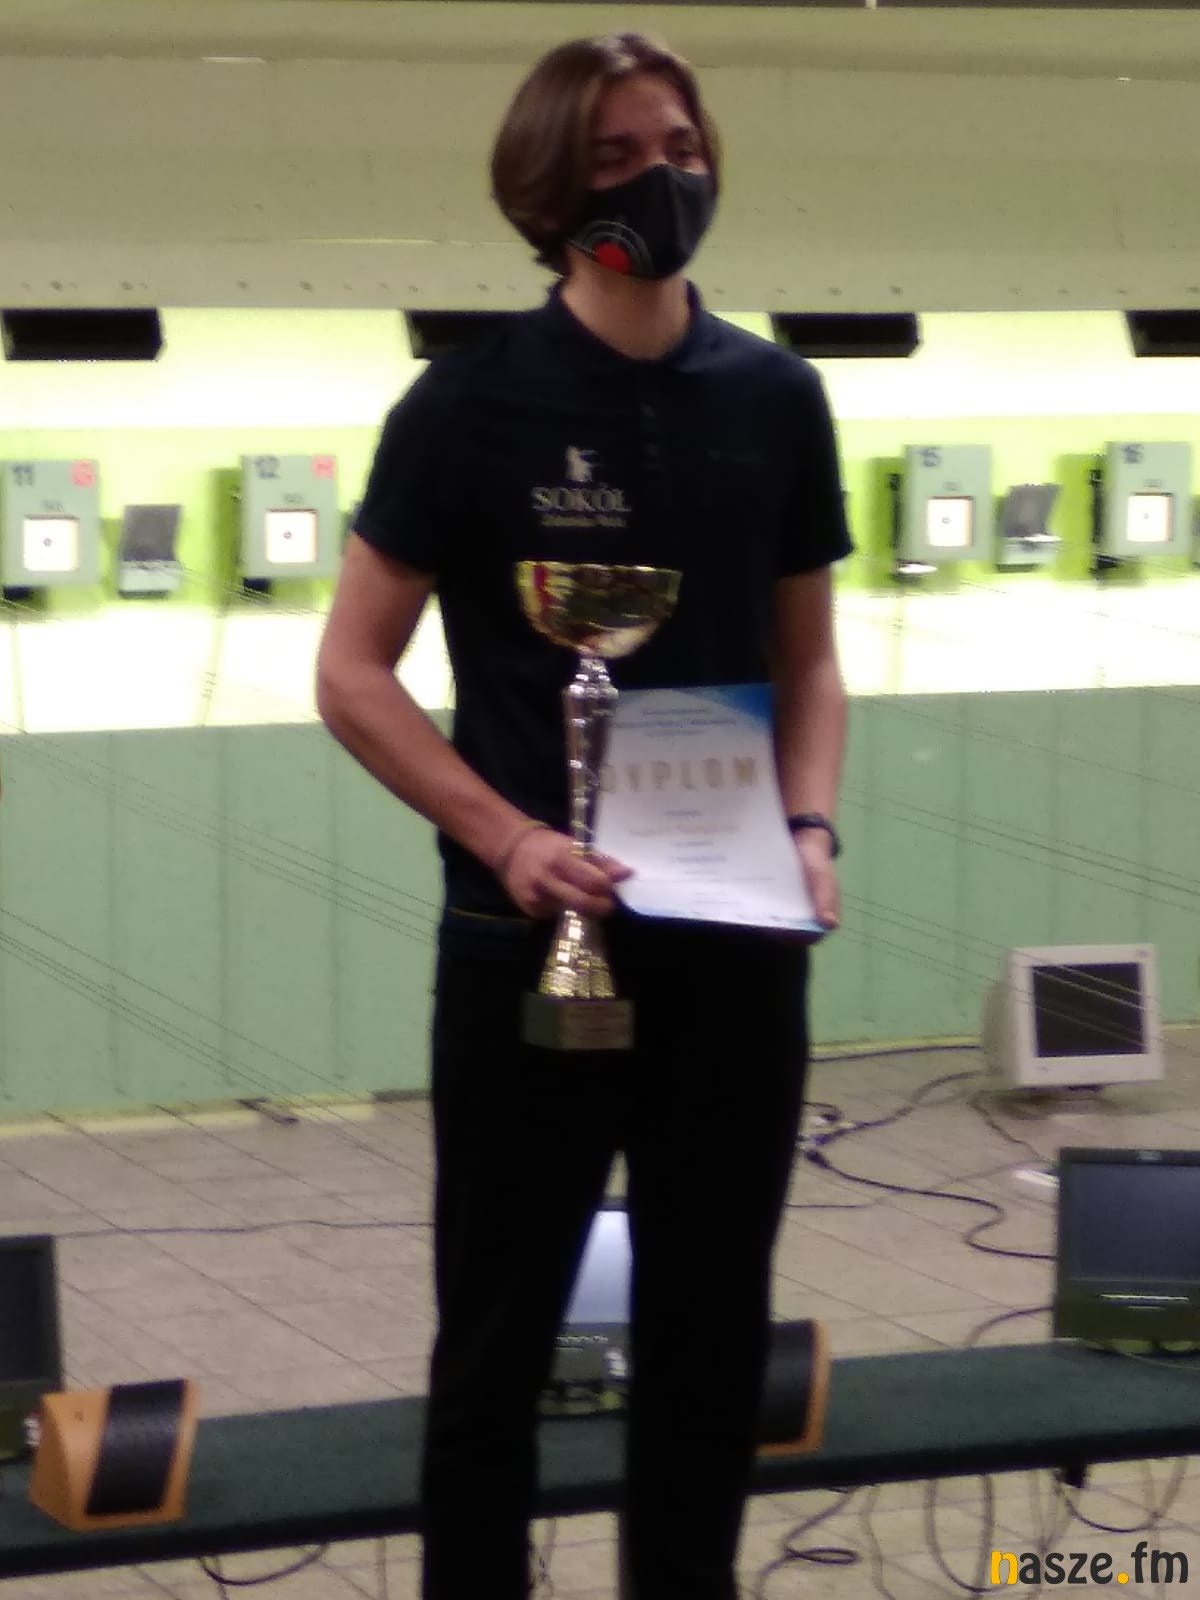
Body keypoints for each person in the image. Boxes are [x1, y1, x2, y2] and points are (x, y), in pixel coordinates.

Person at [316, 30, 851, 1600]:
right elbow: (352, 674)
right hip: (527, 942)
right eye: (617, 156)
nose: (661, 179)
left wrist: (810, 831)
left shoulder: (774, 396)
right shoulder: (467, 404)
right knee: (496, 1342)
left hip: (731, 939)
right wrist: (506, 836)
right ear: (548, 192)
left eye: (679, 147)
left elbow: (810, 662)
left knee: (711, 1339)